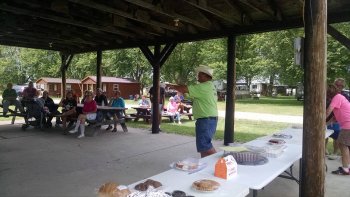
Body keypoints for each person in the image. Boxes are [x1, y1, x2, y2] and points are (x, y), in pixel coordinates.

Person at [180, 65, 218, 158]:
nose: (198, 77)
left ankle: (223, 163)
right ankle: (206, 166)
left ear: (206, 76)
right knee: (203, 147)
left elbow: (185, 89)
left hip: (206, 119)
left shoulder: (204, 86)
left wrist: (170, 86)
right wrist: (183, 91)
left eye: (200, 75)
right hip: (207, 119)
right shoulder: (208, 86)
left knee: (205, 145)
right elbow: (189, 95)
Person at [326, 84, 350, 175]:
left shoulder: (337, 97)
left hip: (348, 124)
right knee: (344, 145)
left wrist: (320, 120)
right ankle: (347, 167)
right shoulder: (339, 97)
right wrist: (325, 124)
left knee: (343, 145)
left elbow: (329, 111)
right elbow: (335, 116)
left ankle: (345, 169)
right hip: (347, 124)